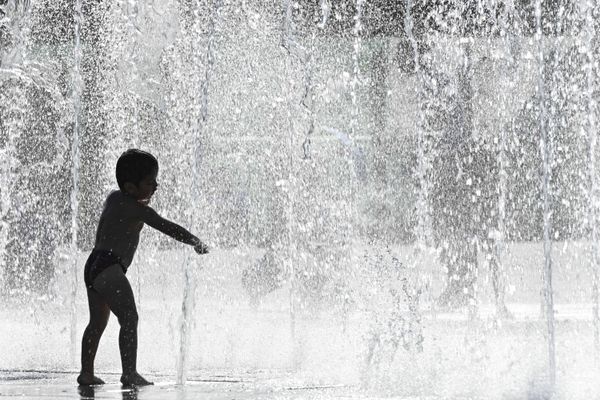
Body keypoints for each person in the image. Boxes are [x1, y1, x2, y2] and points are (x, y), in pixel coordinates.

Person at [77, 149, 209, 387]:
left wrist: (142, 197)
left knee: (97, 322)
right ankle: (129, 373)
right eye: (150, 182)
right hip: (110, 268)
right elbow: (166, 227)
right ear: (130, 187)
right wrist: (194, 241)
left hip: (94, 264)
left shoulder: (113, 198)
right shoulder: (138, 210)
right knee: (129, 318)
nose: (156, 186)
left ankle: (86, 372)